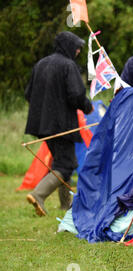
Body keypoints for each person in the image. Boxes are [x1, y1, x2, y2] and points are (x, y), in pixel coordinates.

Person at [25, 31, 93, 216]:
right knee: (66, 165)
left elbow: (28, 94)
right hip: (61, 125)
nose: (78, 51)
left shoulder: (41, 64)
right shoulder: (68, 65)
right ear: (68, 47)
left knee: (62, 162)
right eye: (76, 48)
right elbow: (76, 95)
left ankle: (66, 205)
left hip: (41, 125)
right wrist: (87, 107)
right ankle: (38, 194)